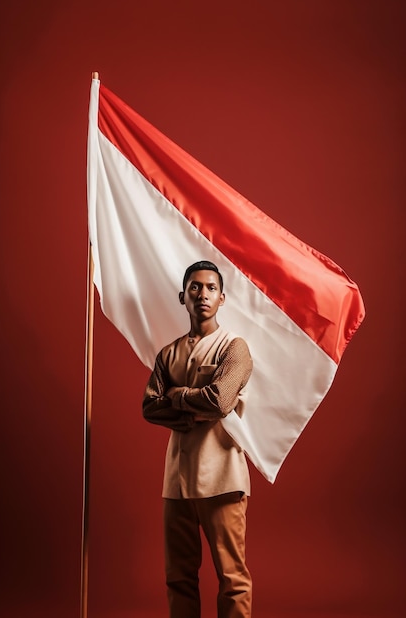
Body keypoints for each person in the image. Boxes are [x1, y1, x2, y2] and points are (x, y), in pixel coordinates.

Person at [142, 260, 253, 618]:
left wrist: (175, 396)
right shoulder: (167, 353)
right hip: (175, 482)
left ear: (222, 298)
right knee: (179, 577)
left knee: (232, 579)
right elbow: (148, 407)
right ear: (182, 296)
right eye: (194, 287)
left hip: (222, 478)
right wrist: (195, 404)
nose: (202, 294)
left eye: (210, 288)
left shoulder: (234, 348)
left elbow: (220, 401)